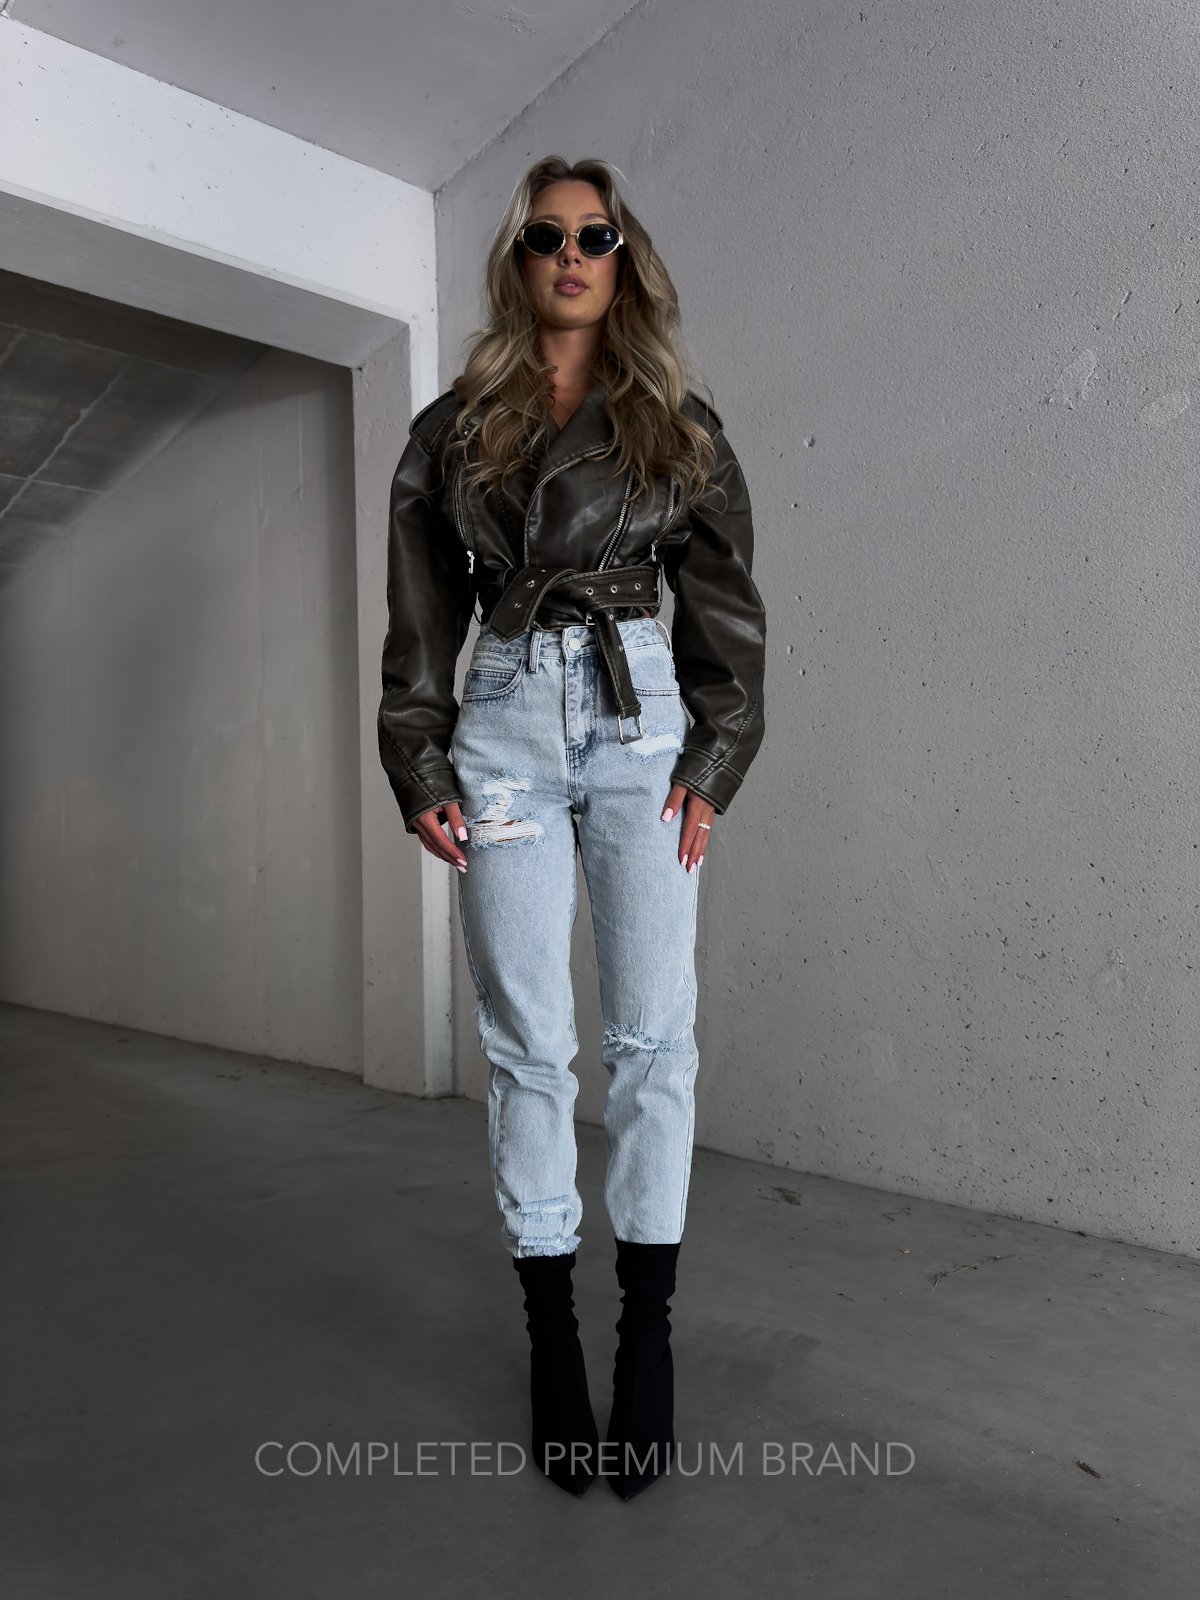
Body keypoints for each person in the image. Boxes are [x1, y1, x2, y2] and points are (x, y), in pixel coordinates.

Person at [377, 156, 767, 1500]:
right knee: (528, 1043)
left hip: (639, 712)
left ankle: (645, 1335)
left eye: (594, 235)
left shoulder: (676, 422)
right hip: (500, 722)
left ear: (623, 256)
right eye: (546, 236)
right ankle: (553, 1334)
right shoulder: (453, 428)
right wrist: (417, 754)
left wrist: (717, 751)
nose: (570, 255)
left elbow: (725, 603)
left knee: (654, 1037)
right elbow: (421, 612)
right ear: (518, 259)